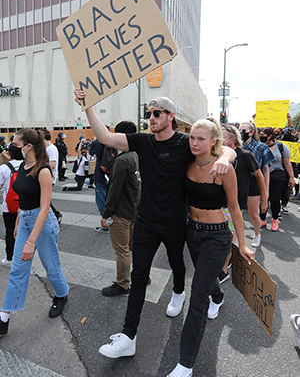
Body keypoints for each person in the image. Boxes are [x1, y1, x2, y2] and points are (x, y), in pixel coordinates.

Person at [73, 89, 236, 360]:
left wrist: (223, 159)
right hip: (146, 221)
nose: (151, 118)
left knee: (177, 264)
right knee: (138, 276)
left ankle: (179, 292)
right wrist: (88, 106)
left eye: (157, 113)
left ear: (170, 116)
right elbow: (105, 137)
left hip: (175, 222)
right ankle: (128, 336)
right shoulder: (143, 141)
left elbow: (227, 148)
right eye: (149, 114)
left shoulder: (187, 142)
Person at [167, 118, 254, 377]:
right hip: (192, 232)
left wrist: (243, 243)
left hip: (217, 237)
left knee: (197, 295)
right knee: (206, 283)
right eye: (192, 137)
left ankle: (186, 364)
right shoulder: (187, 161)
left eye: (201, 139)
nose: (194, 143)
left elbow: (235, 209)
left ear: (213, 142)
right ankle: (218, 295)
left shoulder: (223, 169)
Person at [0, 128, 69, 336]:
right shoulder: (22, 166)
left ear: (28, 146)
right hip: (25, 220)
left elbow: (45, 207)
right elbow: (23, 197)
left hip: (43, 222)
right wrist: (20, 221)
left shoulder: (43, 171)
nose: (12, 146)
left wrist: (31, 241)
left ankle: (62, 295)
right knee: (17, 269)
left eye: (16, 143)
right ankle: (4, 317)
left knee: (51, 267)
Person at [219, 125, 268, 281]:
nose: (220, 140)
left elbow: (259, 176)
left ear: (233, 138)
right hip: (219, 204)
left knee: (229, 238)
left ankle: (223, 270)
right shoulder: (218, 155)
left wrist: (264, 199)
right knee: (221, 237)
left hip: (235, 206)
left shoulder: (246, 155)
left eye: (223, 136)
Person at [101, 121, 141, 297]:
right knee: (134, 247)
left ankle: (122, 284)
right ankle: (141, 275)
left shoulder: (122, 160)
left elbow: (114, 190)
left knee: (122, 250)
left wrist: (106, 213)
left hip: (121, 212)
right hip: (135, 210)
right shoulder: (138, 155)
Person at [239, 122, 274, 247]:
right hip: (238, 181)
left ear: (251, 132)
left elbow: (266, 169)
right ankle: (235, 237)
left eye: (244, 130)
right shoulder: (237, 146)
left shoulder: (261, 147)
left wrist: (266, 189)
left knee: (253, 214)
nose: (241, 132)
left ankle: (257, 233)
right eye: (240, 130)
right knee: (236, 212)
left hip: (254, 182)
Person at [259, 127, 295, 231]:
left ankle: (274, 220)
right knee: (263, 198)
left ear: (270, 136)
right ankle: (262, 219)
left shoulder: (281, 146)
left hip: (277, 176)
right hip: (263, 176)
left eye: (263, 135)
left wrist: (291, 177)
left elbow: (287, 163)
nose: (261, 137)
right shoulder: (260, 146)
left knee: (274, 200)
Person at [0, 143, 23, 266]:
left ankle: (10, 258)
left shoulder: (4, 168)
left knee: (10, 231)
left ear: (9, 153)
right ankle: (22, 258)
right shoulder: (27, 166)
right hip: (25, 205)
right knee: (23, 231)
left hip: (8, 206)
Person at [40, 128, 62, 224]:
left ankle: (56, 215)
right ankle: (55, 215)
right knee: (45, 199)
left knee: (45, 199)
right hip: (46, 176)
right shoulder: (46, 148)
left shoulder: (51, 149)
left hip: (48, 177)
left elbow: (52, 164)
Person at [89, 137, 109, 233]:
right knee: (110, 199)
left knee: (101, 200)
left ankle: (106, 225)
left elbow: (90, 152)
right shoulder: (112, 141)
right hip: (111, 174)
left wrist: (94, 141)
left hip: (100, 175)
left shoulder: (97, 142)